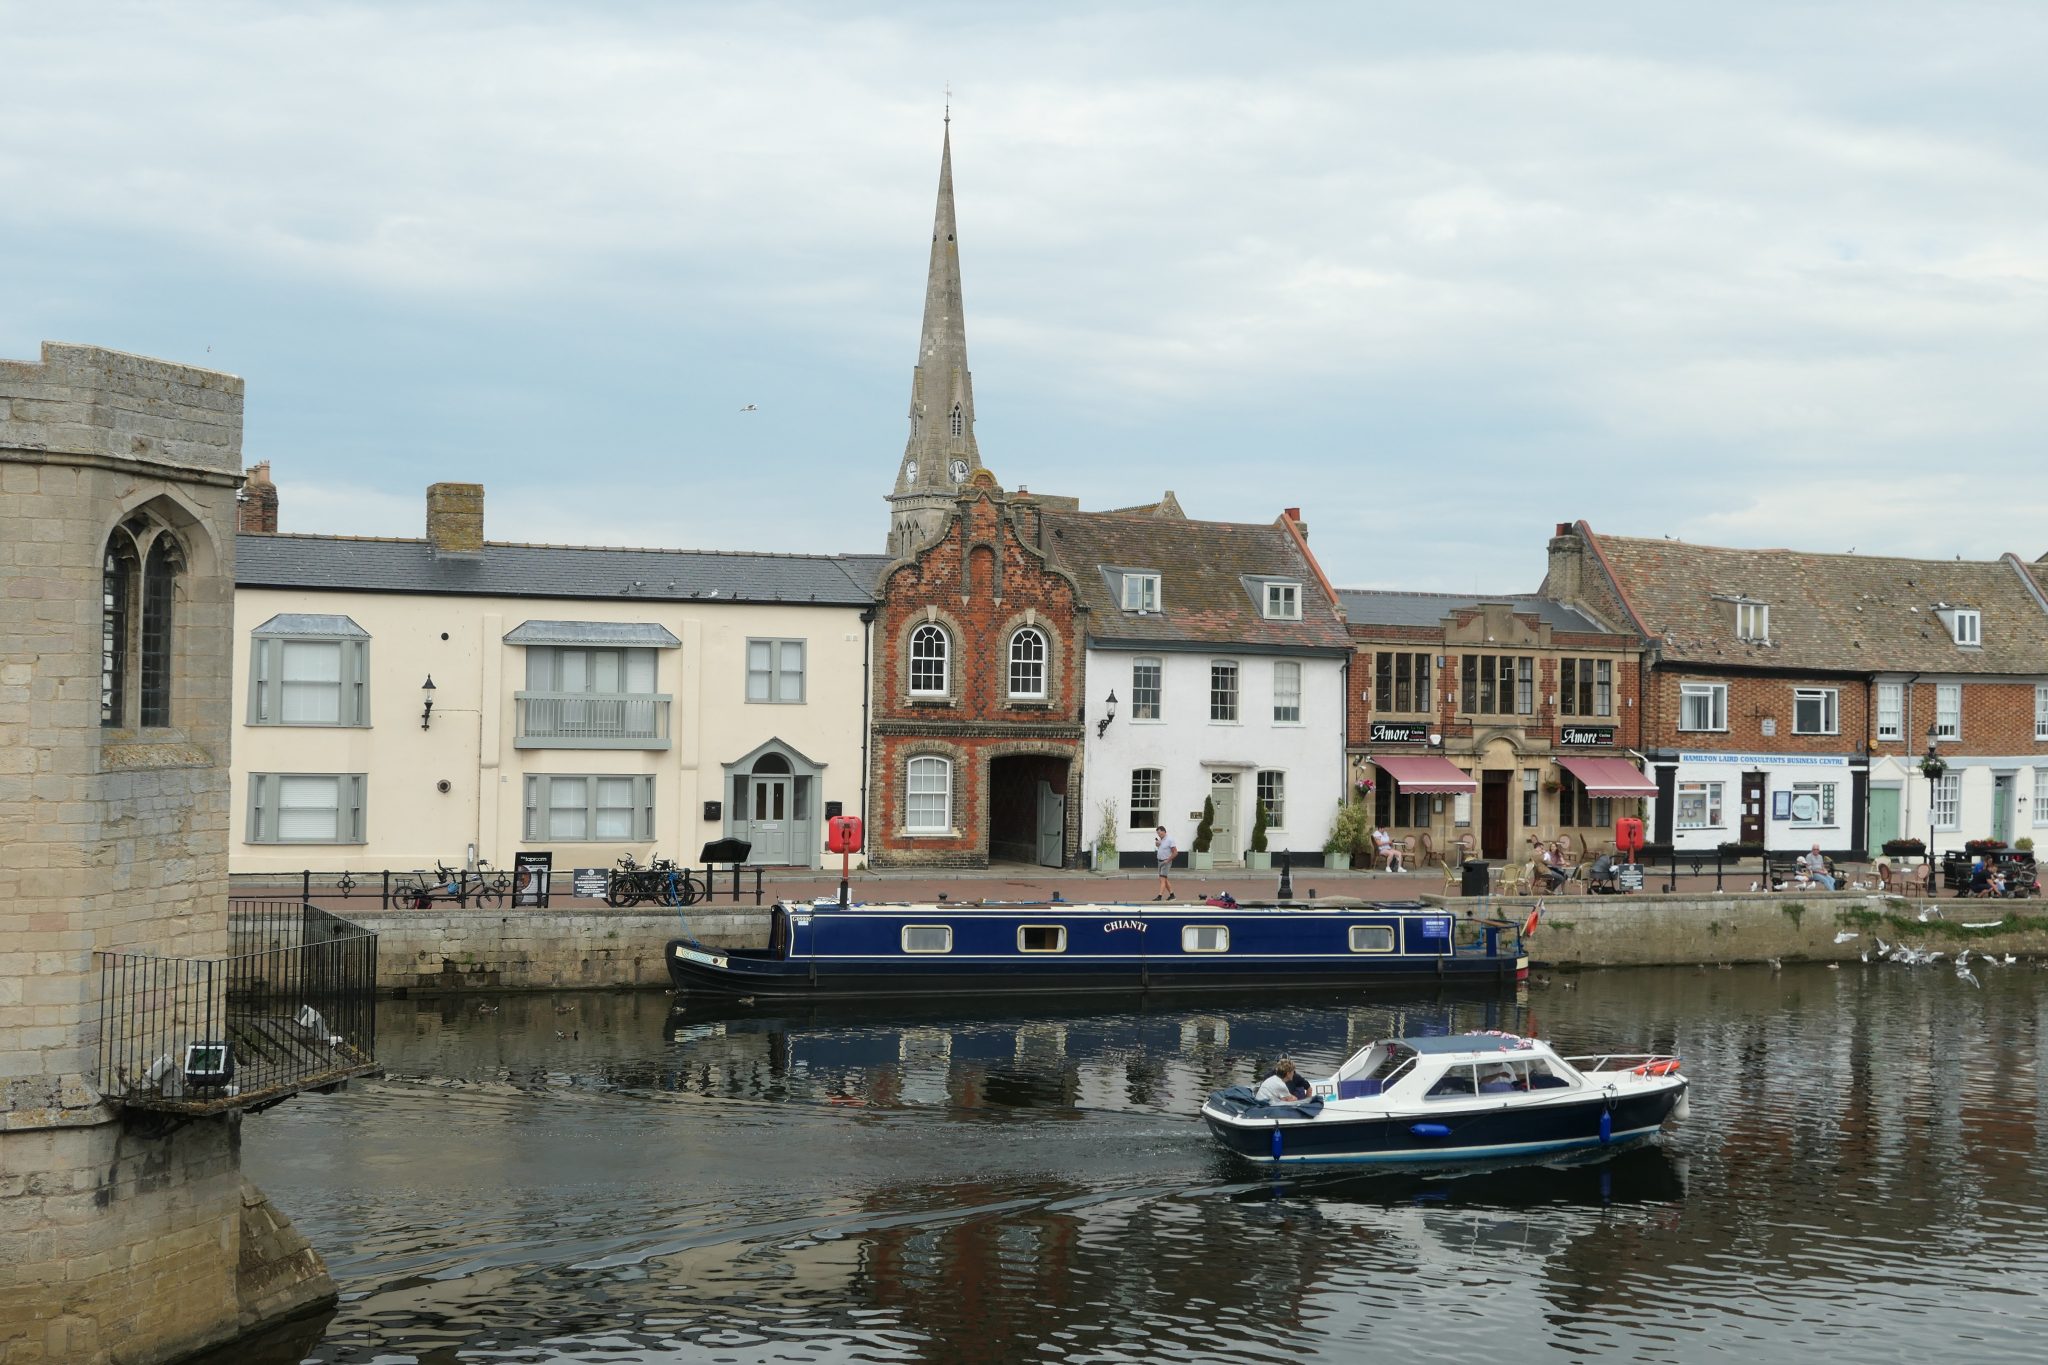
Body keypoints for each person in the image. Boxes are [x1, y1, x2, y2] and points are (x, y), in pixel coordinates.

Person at [1153, 826, 1177, 900]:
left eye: (1159, 833)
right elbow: (1161, 849)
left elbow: (1175, 852)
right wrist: (1157, 844)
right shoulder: (1161, 839)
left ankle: (1159, 896)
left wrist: (1168, 860)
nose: (1158, 835)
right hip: (1160, 861)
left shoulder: (1170, 840)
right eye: (1157, 834)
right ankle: (1172, 895)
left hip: (1166, 862)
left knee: (1162, 879)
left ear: (1164, 831)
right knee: (1164, 879)